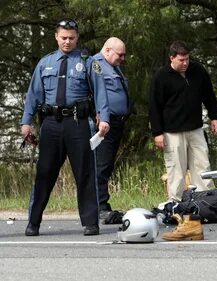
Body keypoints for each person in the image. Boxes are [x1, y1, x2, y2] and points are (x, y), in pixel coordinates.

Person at [20, 19, 110, 236]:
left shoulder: (88, 62)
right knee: (44, 173)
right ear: (56, 37)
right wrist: (26, 122)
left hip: (78, 123)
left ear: (77, 38)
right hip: (51, 124)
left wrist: (104, 118)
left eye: (71, 38)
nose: (67, 42)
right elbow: (33, 95)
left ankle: (90, 222)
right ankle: (33, 222)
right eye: (63, 38)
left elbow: (100, 92)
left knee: (85, 174)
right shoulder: (45, 63)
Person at [149, 40, 217, 202]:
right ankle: (176, 204)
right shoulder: (161, 77)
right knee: (176, 170)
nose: (185, 63)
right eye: (181, 60)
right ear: (172, 58)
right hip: (172, 132)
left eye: (187, 59)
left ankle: (207, 201)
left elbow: (209, 95)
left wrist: (215, 117)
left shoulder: (198, 71)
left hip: (195, 128)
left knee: (202, 166)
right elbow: (154, 106)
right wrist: (157, 133)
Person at [93, 37, 130, 221]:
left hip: (116, 123)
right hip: (104, 124)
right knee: (101, 165)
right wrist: (98, 113)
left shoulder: (113, 67)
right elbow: (90, 92)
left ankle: (102, 203)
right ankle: (99, 206)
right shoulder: (95, 65)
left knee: (107, 165)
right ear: (107, 50)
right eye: (120, 54)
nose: (123, 58)